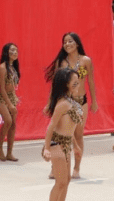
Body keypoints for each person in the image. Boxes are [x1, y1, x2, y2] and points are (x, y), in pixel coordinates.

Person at [44, 32, 97, 179]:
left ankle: (76, 168)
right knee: (60, 134)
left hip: (81, 102)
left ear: (77, 43)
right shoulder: (61, 62)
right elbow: (54, 85)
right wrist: (49, 103)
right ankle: (55, 167)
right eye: (65, 42)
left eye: (70, 41)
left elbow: (90, 81)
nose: (67, 44)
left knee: (78, 135)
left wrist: (94, 101)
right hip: (64, 102)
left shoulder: (86, 61)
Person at [42, 67, 83, 201]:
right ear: (66, 84)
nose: (78, 85)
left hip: (66, 145)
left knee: (67, 180)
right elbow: (51, 126)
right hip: (56, 144)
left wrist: (75, 145)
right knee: (61, 182)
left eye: (78, 82)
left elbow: (69, 129)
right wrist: (46, 148)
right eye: (75, 83)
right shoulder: (63, 103)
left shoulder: (70, 102)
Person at [0, 43, 21, 161]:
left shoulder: (13, 67)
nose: (15, 52)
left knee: (13, 124)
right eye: (12, 50)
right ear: (6, 52)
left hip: (11, 96)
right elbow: (2, 88)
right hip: (1, 97)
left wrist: (13, 100)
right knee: (8, 121)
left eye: (16, 50)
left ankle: (9, 153)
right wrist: (9, 104)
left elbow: (13, 86)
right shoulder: (2, 67)